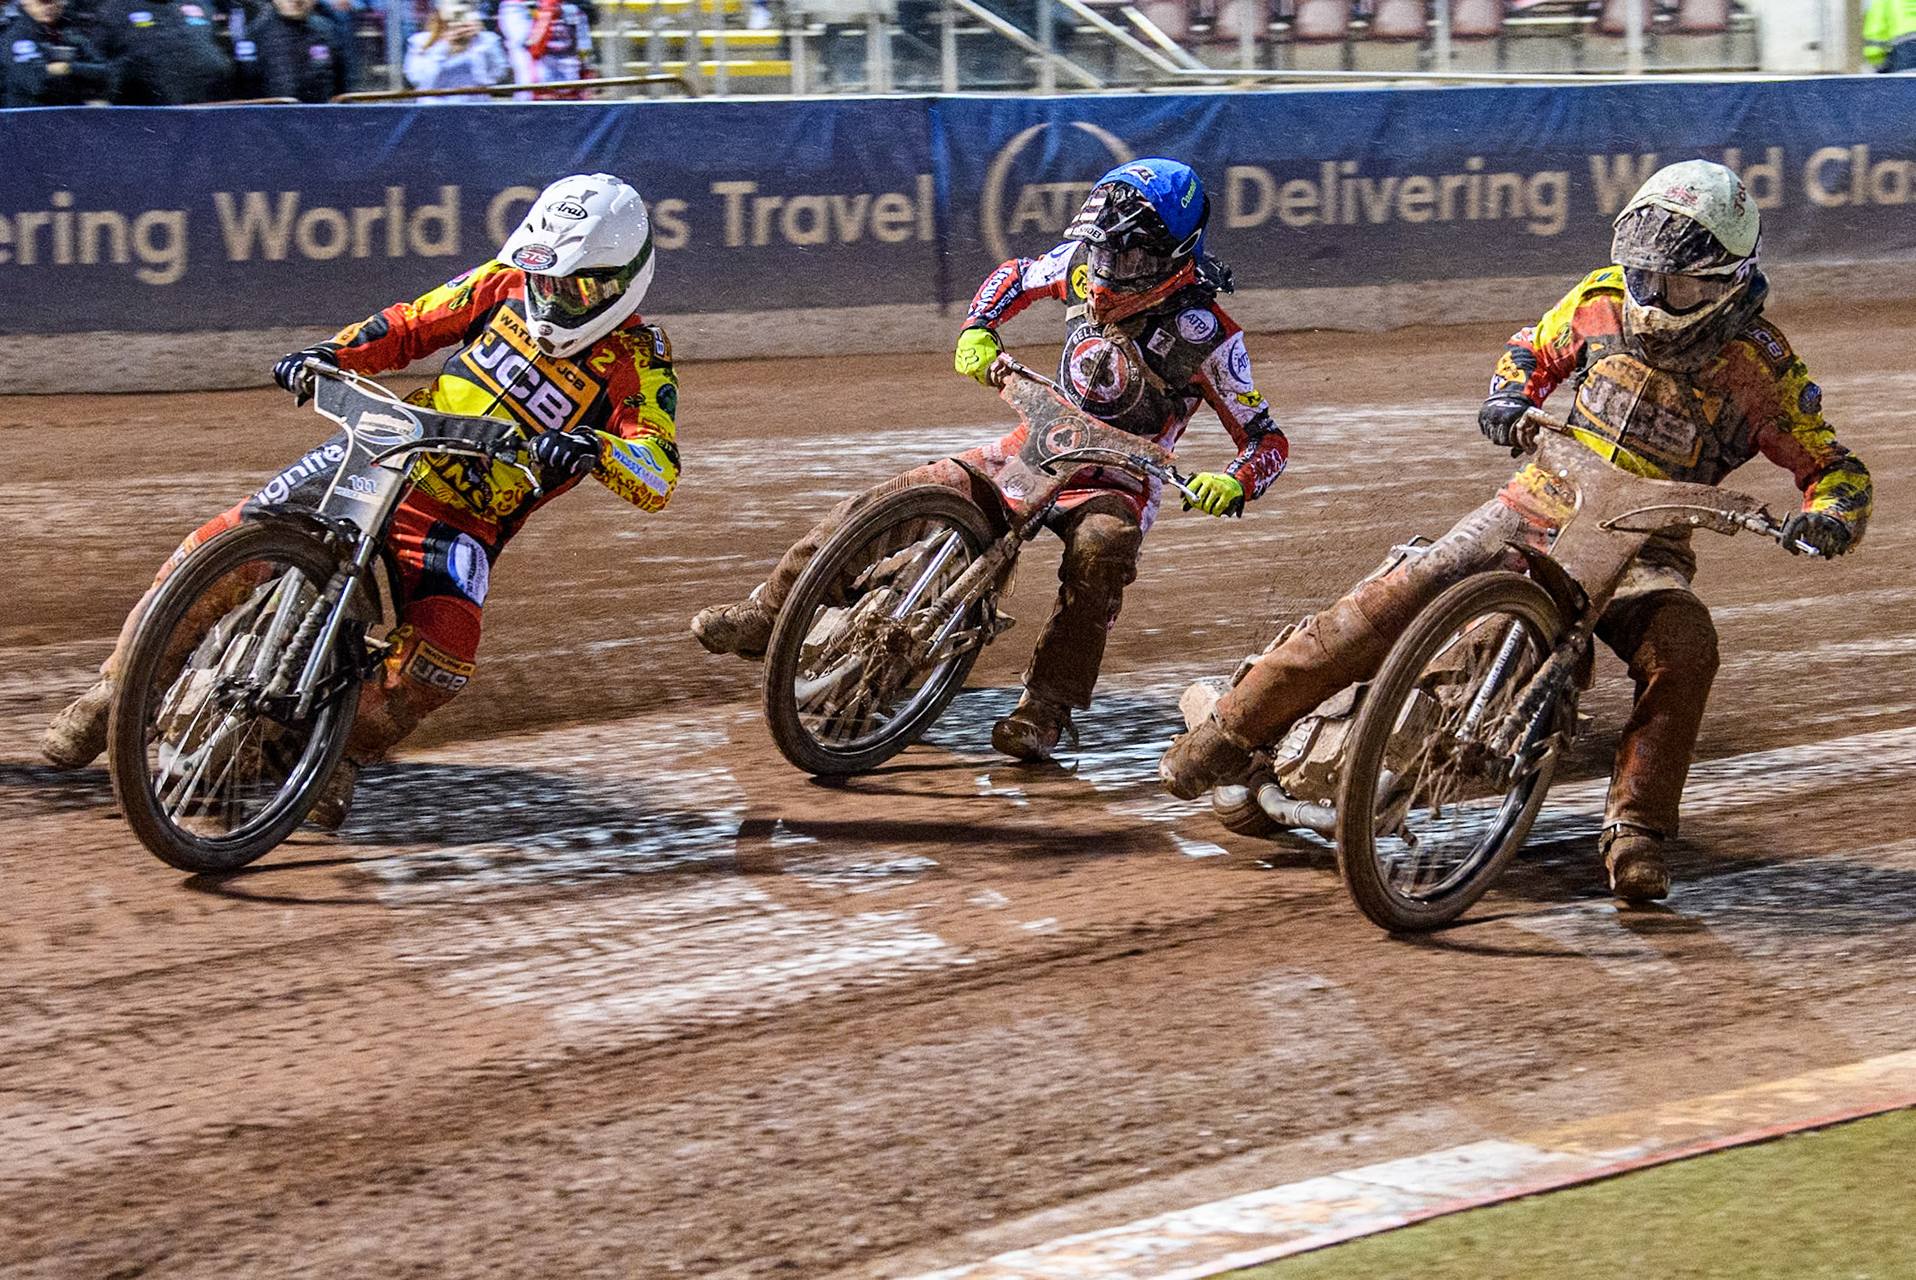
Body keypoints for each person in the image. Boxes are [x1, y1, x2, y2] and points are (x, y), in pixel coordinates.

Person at [1159, 160, 1871, 902]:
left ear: (1729, 279)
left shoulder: (1761, 367)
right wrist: (1508, 394)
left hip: (1643, 547)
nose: (1653, 296)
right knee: (1401, 593)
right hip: (1539, 501)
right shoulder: (1601, 299)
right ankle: (1226, 732)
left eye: (1678, 285)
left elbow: (1833, 465)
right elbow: (1531, 348)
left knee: (1684, 648)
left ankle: (1637, 832)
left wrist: (1831, 516)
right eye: (1645, 276)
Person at [41, 174, 681, 828]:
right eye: (544, 278)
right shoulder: (499, 282)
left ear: (619, 282)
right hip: (388, 451)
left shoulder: (639, 358)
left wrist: (597, 450)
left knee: (443, 659)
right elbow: (409, 325)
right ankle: (112, 694)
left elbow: (658, 468)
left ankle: (335, 753)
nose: (550, 295)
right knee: (221, 547)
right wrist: (331, 354)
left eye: (573, 286)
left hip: (460, 519)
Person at [692, 159, 1289, 762]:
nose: (1107, 273)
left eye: (1129, 260)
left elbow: (1266, 439)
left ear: (1173, 257)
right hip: (1036, 446)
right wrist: (979, 327)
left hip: (1117, 478)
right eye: (1104, 253)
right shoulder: (1081, 264)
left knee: (1102, 550)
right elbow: (1015, 274)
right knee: (911, 490)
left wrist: (1233, 481)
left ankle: (1047, 708)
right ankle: (770, 611)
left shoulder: (1208, 333)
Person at [93, 0, 233, 102]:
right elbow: (102, 66)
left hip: (208, 107)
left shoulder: (201, 6)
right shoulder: (114, 10)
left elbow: (213, 54)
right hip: (148, 113)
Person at [0, 0, 113, 105]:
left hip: (71, 115)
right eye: (43, 2)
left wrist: (66, 67)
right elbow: (36, 83)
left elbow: (105, 71)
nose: (49, 7)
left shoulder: (70, 31)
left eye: (54, 1)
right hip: (28, 116)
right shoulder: (14, 37)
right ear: (26, 1)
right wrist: (80, 79)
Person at [242, 0, 349, 99]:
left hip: (321, 114)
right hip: (271, 115)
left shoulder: (328, 31)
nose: (296, 0)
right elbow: (247, 86)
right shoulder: (255, 35)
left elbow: (342, 84)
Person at [403, 0, 506, 98]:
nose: (457, 21)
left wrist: (477, 42)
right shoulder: (420, 41)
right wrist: (444, 47)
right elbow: (418, 80)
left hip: (474, 107)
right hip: (434, 109)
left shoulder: (487, 40)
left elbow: (492, 78)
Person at [495, 0, 588, 97]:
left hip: (567, 62)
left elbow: (582, 42)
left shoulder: (571, 9)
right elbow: (523, 40)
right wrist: (546, 12)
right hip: (535, 63)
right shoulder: (513, 5)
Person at [1865, 0, 1916, 72]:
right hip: (1902, 54)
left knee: (1905, 81)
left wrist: (1878, 60)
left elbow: (1875, 34)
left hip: (1901, 56)